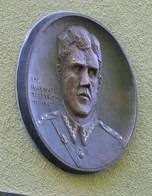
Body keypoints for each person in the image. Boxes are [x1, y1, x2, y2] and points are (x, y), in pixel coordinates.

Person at [36, 25, 125, 170]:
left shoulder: (114, 143)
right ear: (60, 72)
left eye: (92, 72)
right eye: (77, 68)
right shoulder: (45, 127)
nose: (85, 82)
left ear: (99, 82)